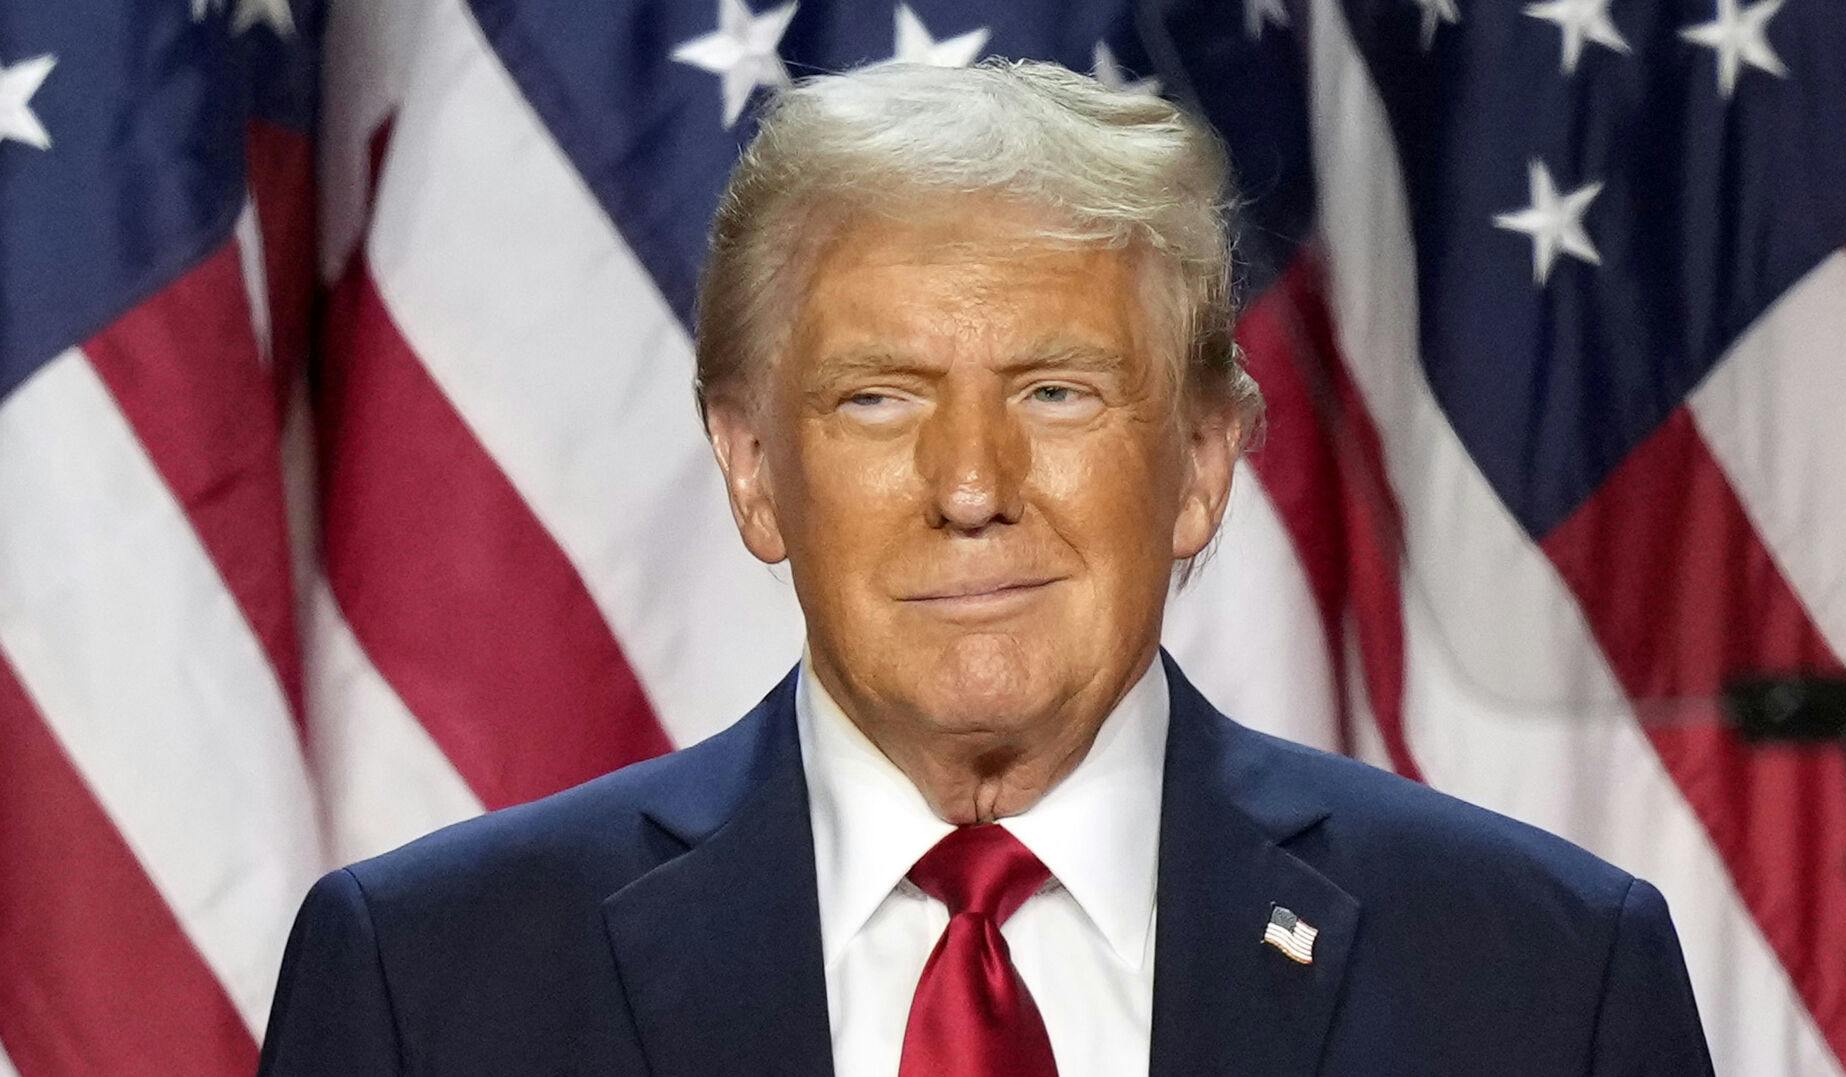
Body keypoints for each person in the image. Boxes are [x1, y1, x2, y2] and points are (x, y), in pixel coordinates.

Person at [258, 60, 1715, 1076]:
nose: (971, 486)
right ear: (754, 470)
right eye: (876, 398)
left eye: (1060, 392)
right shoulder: (431, 985)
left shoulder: (1541, 982)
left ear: (1204, 461)